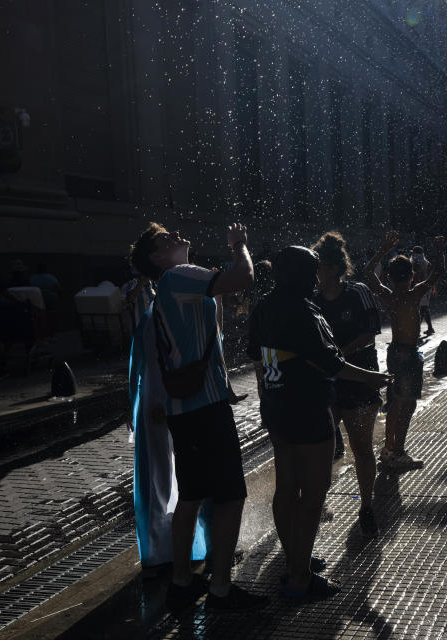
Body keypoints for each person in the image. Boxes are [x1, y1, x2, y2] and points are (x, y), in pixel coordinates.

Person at [127, 221, 268, 612]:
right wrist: (240, 243)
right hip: (204, 410)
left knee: (191, 496)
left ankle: (181, 582)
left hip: (186, 411)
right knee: (230, 497)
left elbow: (214, 336)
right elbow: (244, 276)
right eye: (163, 239)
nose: (174, 236)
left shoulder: (175, 285)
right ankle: (220, 589)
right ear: (156, 258)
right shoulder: (178, 276)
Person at [248, 246, 390, 600]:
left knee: (286, 489)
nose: (316, 278)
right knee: (313, 493)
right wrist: (370, 378)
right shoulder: (304, 311)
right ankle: (299, 578)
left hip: (277, 407)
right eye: (312, 272)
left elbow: (257, 357)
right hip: (308, 409)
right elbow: (331, 364)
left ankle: (297, 558)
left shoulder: (264, 306)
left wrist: (267, 395)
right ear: (302, 276)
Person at [313, 232, 383, 537]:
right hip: (326, 386)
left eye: (318, 267)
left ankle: (366, 506)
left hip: (359, 381)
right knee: (321, 453)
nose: (314, 273)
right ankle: (318, 504)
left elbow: (372, 330)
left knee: (361, 447)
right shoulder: (312, 300)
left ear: (332, 268)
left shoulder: (358, 292)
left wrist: (341, 354)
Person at [364, 231, 445, 471]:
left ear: (389, 277)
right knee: (406, 404)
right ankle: (397, 452)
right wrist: (439, 250)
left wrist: (383, 249)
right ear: (411, 276)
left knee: (395, 403)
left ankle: (389, 449)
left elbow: (369, 273)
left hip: (394, 352)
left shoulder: (390, 296)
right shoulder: (414, 294)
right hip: (408, 354)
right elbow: (437, 272)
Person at [411, 246, 435, 335]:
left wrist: (415, 287)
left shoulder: (416, 263)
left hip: (421, 288)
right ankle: (429, 328)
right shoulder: (427, 263)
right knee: (424, 308)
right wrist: (434, 288)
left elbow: (417, 278)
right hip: (427, 288)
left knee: (421, 308)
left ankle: (417, 329)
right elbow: (432, 276)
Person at [30, 264, 61, 335]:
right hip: (50, 300)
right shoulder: (51, 277)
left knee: (40, 318)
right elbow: (58, 288)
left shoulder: (32, 278)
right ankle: (51, 333)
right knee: (51, 317)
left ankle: (42, 334)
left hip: (37, 300)